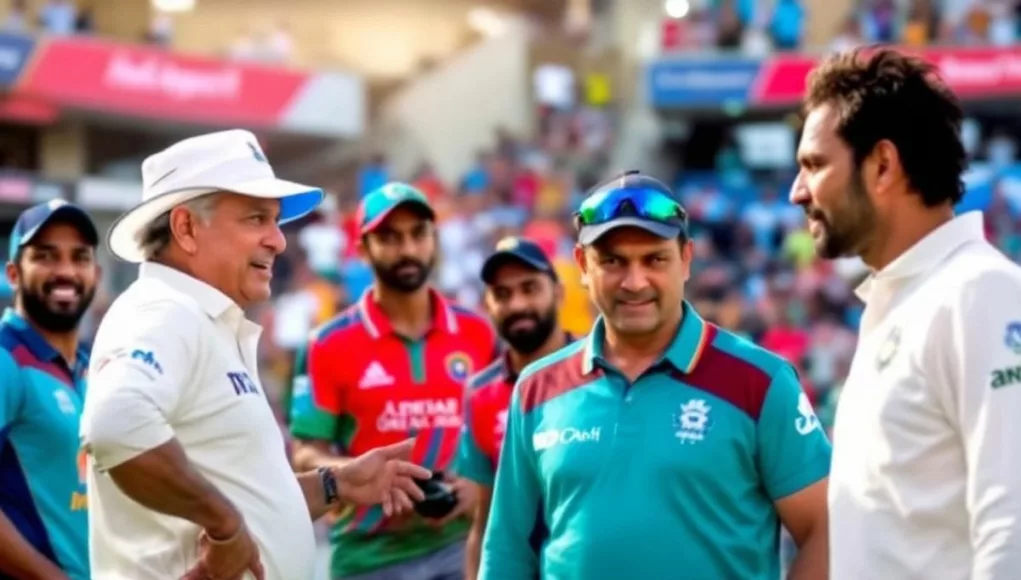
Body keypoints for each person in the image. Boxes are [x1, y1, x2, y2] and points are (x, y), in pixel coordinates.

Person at [79, 130, 431, 580]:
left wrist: (336, 483)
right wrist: (226, 527)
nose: (278, 241)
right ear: (186, 228)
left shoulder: (203, 319)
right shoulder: (163, 310)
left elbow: (248, 497)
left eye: (275, 221)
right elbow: (115, 423)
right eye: (255, 219)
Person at [480, 171, 831, 580]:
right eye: (612, 261)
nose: (634, 281)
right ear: (582, 265)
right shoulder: (537, 388)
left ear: (686, 259)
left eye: (654, 259)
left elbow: (823, 528)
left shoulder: (760, 381)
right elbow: (506, 550)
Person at [793, 48, 1021, 579]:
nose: (797, 191)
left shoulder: (981, 293)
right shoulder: (908, 299)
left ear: (883, 165)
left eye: (814, 165)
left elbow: (1011, 523)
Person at [289, 182, 498, 580]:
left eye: (418, 234)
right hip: (368, 556)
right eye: (389, 237)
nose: (407, 249)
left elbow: (500, 434)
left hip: (460, 547)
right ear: (363, 248)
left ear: (434, 241)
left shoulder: (478, 332)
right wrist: (361, 476)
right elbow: (305, 452)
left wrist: (478, 483)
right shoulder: (327, 344)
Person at [458, 237, 574, 580]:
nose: (517, 304)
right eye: (502, 294)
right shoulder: (480, 392)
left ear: (559, 292)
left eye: (530, 288)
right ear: (487, 305)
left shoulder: (599, 373)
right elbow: (484, 522)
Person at [0, 200, 99, 580]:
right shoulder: (7, 359)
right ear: (13, 273)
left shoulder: (95, 368)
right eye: (46, 256)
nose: (65, 271)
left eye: (79, 258)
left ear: (96, 272)